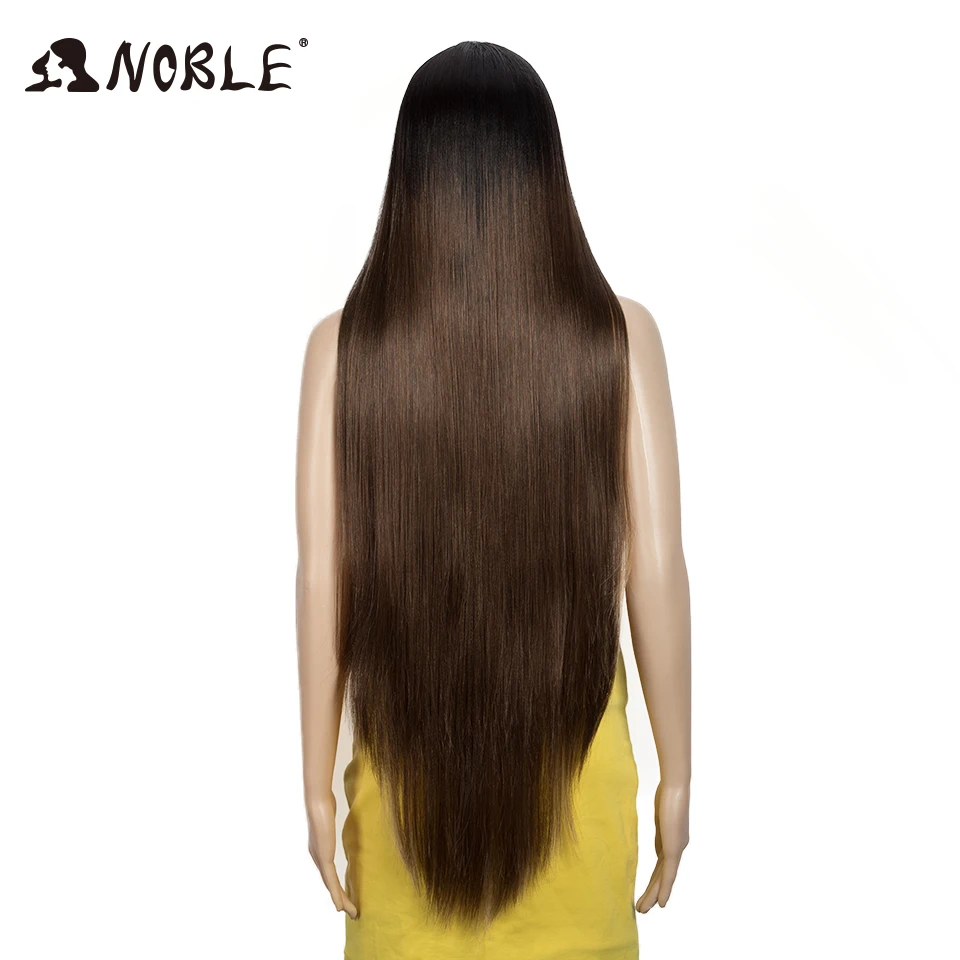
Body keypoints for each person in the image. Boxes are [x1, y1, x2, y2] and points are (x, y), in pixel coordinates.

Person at [295, 40, 691, 959]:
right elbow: (659, 571)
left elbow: (322, 582)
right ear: (544, 177)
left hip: (399, 817)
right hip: (580, 808)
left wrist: (314, 787)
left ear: (411, 181)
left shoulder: (346, 351)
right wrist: (677, 779)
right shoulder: (617, 339)